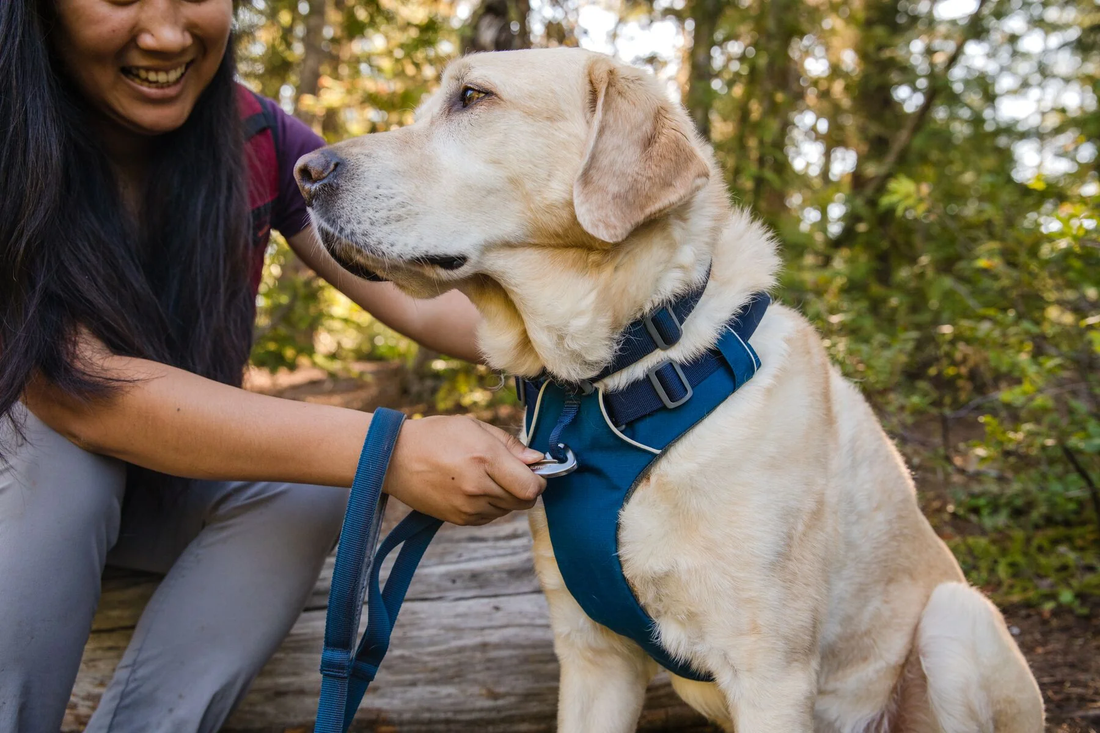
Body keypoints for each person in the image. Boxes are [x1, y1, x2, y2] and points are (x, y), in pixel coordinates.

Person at [0, 0, 547, 730]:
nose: (165, 34)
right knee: (62, 459)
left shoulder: (254, 135)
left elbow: (415, 300)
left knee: (311, 485)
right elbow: (81, 395)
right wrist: (392, 449)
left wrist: (590, 332)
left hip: (154, 497)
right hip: (28, 488)